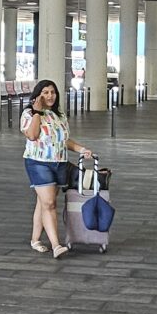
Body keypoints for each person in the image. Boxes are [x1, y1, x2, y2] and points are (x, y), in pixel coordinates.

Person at [20, 78, 95, 259]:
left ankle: (35, 240)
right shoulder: (28, 114)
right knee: (49, 204)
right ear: (38, 95)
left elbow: (64, 140)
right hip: (38, 162)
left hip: (59, 162)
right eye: (45, 92)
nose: (50, 96)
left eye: (52, 92)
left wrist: (81, 149)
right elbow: (32, 135)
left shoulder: (58, 114)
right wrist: (37, 112)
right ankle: (56, 245)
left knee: (43, 203)